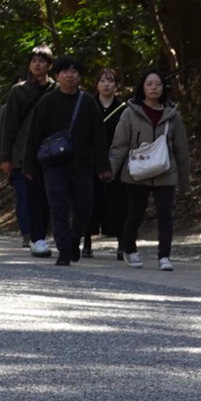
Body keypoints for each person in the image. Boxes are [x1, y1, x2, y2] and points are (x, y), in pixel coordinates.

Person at [23, 55, 111, 267]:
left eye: (74, 72)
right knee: (58, 207)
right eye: (65, 71)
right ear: (57, 76)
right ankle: (63, 249)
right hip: (53, 166)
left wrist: (102, 166)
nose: (70, 75)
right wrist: (29, 166)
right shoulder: (47, 102)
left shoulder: (88, 102)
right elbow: (34, 135)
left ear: (80, 76)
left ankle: (74, 239)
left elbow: (99, 136)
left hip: (82, 165)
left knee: (84, 208)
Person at [110, 68, 190, 270]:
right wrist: (110, 169)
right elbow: (120, 144)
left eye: (158, 84)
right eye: (149, 84)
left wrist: (184, 180)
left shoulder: (172, 115)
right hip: (137, 172)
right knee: (135, 213)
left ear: (163, 88)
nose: (154, 88)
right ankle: (130, 250)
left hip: (165, 171)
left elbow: (181, 149)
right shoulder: (130, 113)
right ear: (142, 87)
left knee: (165, 215)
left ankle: (164, 256)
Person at [0, 47, 54, 257]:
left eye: (42, 61)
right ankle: (30, 235)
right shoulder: (18, 91)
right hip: (22, 153)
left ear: (50, 65)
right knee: (26, 196)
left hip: (51, 153)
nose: (37, 64)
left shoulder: (56, 90)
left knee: (48, 197)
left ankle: (42, 235)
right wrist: (5, 157)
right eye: (34, 60)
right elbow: (8, 126)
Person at [86, 67, 127, 259]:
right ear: (96, 84)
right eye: (102, 81)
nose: (106, 84)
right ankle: (86, 241)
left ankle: (121, 243)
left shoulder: (124, 108)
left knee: (118, 202)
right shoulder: (88, 105)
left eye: (110, 81)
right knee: (90, 201)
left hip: (117, 160)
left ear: (116, 85)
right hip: (91, 160)